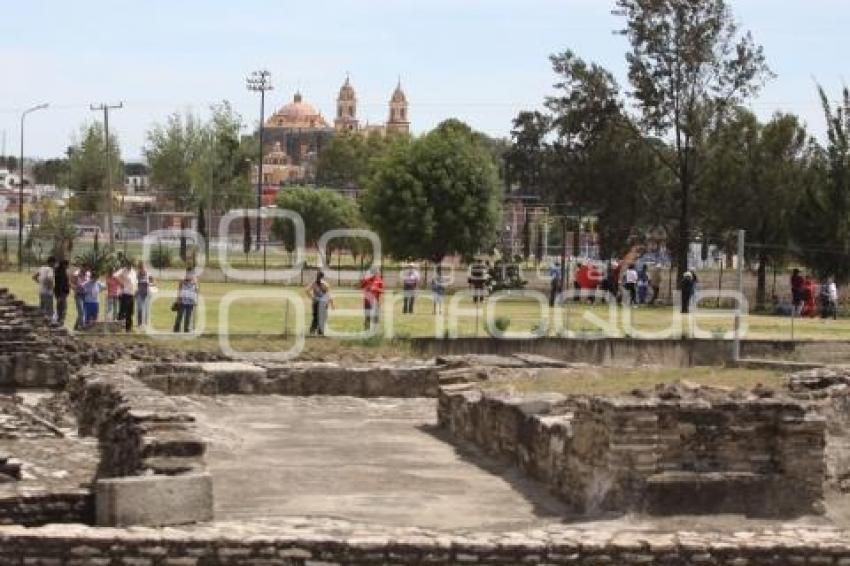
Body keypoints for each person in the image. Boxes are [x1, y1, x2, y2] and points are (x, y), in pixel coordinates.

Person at [306, 271, 333, 336]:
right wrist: (312, 297)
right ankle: (314, 331)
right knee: (317, 317)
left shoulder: (323, 284)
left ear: (321, 277)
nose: (318, 277)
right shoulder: (316, 283)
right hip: (318, 303)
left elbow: (328, 294)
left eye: (319, 276)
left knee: (320, 317)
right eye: (318, 276)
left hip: (321, 303)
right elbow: (307, 290)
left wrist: (331, 303)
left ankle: (318, 331)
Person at [114, 262, 138, 332]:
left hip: (131, 294)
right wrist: (121, 283)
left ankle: (128, 328)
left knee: (130, 312)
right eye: (128, 264)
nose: (130, 266)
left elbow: (135, 282)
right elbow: (115, 276)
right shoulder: (123, 270)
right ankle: (117, 326)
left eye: (131, 264)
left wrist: (135, 290)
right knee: (123, 311)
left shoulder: (133, 271)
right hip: (125, 293)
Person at [173, 269, 198, 333]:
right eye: (188, 274)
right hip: (182, 301)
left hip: (190, 301)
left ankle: (186, 328)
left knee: (188, 316)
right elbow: (179, 290)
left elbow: (196, 292)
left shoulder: (195, 283)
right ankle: (176, 328)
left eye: (191, 274)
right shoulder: (182, 282)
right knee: (179, 315)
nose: (189, 275)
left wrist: (195, 300)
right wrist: (178, 299)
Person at [136, 262, 154, 329]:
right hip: (139, 294)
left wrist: (149, 284)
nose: (141, 269)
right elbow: (134, 284)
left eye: (142, 267)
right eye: (140, 268)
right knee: (140, 309)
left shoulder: (149, 275)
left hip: (147, 294)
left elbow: (153, 284)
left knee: (146, 309)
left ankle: (146, 324)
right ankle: (139, 324)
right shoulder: (137, 275)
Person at [53, 259, 70, 326]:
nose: (68, 266)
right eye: (67, 265)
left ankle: (59, 320)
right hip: (61, 293)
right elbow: (60, 284)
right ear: (64, 265)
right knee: (63, 308)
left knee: (60, 307)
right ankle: (60, 321)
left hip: (60, 292)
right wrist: (60, 295)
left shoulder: (58, 271)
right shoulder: (61, 272)